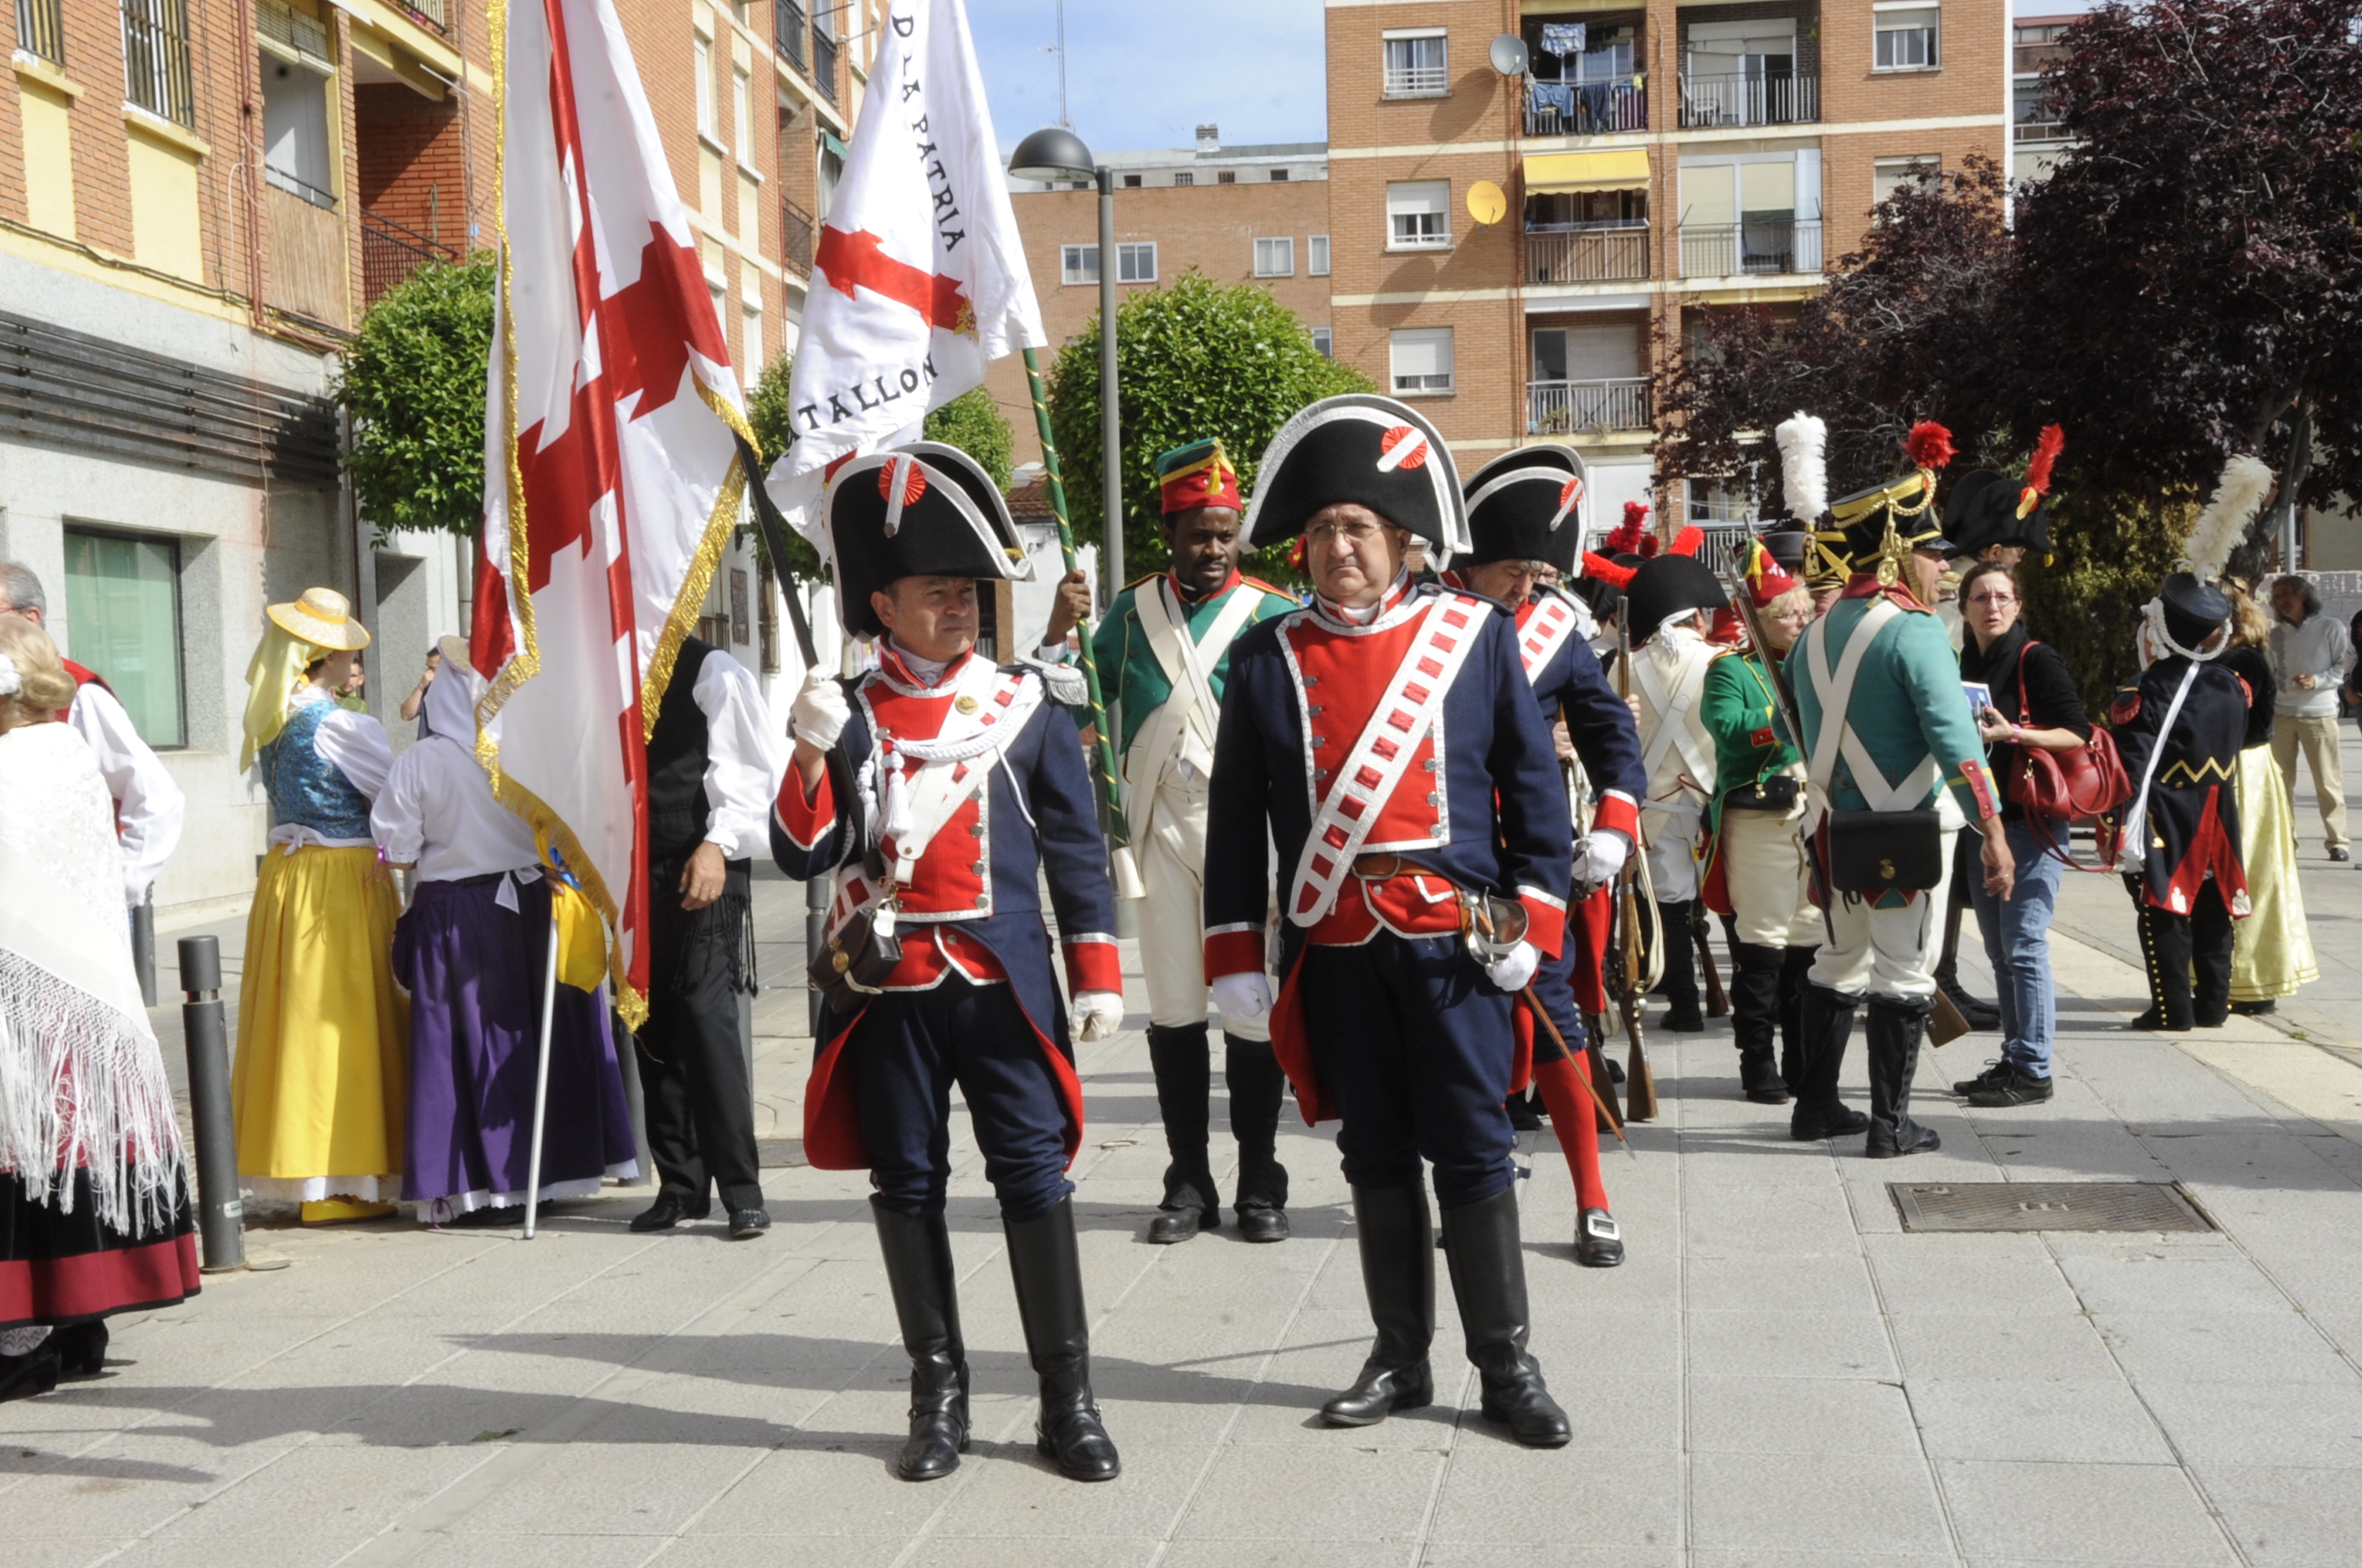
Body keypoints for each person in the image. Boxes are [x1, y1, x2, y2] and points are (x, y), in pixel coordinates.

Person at [1202, 395, 1577, 1448]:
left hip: (1455, 944)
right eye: (1323, 529)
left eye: (1358, 527)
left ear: (1403, 539)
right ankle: (1399, 1356)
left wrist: (1535, 923)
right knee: (1372, 1152)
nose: (1339, 548)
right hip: (1335, 945)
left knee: (1472, 1149)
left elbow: (1533, 790)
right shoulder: (1267, 657)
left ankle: (1506, 1365)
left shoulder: (1473, 636)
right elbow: (1235, 819)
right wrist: (1234, 952)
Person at [774, 442, 1125, 1484]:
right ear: (883, 605)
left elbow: (1076, 847)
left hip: (1003, 982)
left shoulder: (1027, 704)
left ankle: (1068, 1403)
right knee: (907, 1183)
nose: (961, 606)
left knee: (1034, 1180)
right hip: (891, 990)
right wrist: (807, 750)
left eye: (968, 590)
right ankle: (938, 1400)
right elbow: (802, 854)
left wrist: (1098, 972)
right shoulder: (849, 713)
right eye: (937, 592)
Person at [1037, 438, 1299, 1246]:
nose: (1214, 550)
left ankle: (1260, 1175)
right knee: (1177, 1011)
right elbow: (1069, 710)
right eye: (1198, 536)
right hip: (1158, 833)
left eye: (1225, 535)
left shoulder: (1273, 614)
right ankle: (1188, 1178)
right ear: (1170, 535)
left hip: (1247, 838)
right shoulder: (1128, 612)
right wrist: (1058, 629)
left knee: (1251, 1011)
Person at [1790, 423, 2012, 1158]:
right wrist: (1993, 827)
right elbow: (1955, 742)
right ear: (1893, 551)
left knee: (1834, 964)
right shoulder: (1915, 632)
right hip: (1902, 832)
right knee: (1904, 973)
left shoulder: (1812, 634)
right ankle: (1890, 1126)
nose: (1944, 568)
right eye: (1932, 552)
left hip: (1832, 831)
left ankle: (1816, 1107)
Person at [1446, 446, 1645, 1267]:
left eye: (1537, 572)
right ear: (1471, 560)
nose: (1527, 588)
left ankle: (1592, 1197)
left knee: (1560, 1024)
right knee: (1457, 1033)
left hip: (1531, 859)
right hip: (1448, 860)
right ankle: (1474, 1181)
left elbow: (1610, 733)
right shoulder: (1422, 621)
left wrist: (1615, 821)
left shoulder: (1555, 628)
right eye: (1514, 571)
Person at [372, 638, 641, 1224]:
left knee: (464, 1045)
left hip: (457, 914)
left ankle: (475, 1184)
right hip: (534, 904)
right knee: (533, 1038)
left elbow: (398, 849)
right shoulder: (523, 749)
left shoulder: (422, 761)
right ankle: (549, 1172)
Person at [0, 619, 200, 1403]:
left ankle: (22, 1344)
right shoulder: (66, 754)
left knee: (29, 1162)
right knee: (73, 1157)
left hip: (23, 997)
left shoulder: (17, 763)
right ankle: (81, 1327)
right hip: (82, 991)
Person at [231, 588, 408, 1224]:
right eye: (347, 652)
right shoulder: (340, 724)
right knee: (343, 1018)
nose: (353, 661)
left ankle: (303, 1169)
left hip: (289, 875)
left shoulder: (275, 713)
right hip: (341, 877)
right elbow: (397, 795)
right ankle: (344, 1177)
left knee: (295, 1017)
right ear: (327, 656)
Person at [627, 607, 786, 1240]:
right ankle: (680, 1184)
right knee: (650, 1021)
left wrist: (718, 845)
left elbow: (749, 770)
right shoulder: (609, 676)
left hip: (704, 859)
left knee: (704, 1015)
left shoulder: (710, 669)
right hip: (635, 867)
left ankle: (741, 1189)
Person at [1951, 560, 2092, 1106]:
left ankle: (2034, 1070)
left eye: (2002, 597)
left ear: (2018, 605)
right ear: (1964, 607)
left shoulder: (2036, 658)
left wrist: (2016, 734)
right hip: (1982, 821)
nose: (1992, 606)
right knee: (1999, 950)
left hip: (2031, 821)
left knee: (2025, 945)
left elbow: (2077, 732)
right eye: (1981, 597)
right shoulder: (1966, 662)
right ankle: (2014, 1058)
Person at [1699, 535, 1819, 1104]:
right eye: (1788, 614)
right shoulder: (1731, 669)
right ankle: (1757, 1061)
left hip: (1812, 813)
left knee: (1807, 941)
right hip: (1759, 816)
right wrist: (1782, 710)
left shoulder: (1816, 668)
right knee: (1763, 942)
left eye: (1803, 612)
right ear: (1761, 620)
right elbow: (1727, 728)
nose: (1800, 621)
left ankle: (1802, 1057)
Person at [0, 560, 187, 910]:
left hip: (66, 908)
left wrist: (117, 888)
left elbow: (154, 797)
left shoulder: (82, 693)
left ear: (30, 619)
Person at [2113, 576, 2252, 1029]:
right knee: (2213, 906)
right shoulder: (2231, 684)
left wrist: (2117, 820)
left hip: (2166, 813)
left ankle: (2172, 1009)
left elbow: (2132, 766)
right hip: (2219, 811)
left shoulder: (2147, 687)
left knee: (2162, 908)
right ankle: (2212, 1005)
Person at [1621, 535, 1732, 1035]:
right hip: (1716, 801)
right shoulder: (1723, 658)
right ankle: (1759, 1001)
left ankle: (1685, 1006)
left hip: (1657, 806)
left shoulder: (1623, 665)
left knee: (1670, 903)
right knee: (1732, 899)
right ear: (1696, 618)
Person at [2222, 584, 2314, 1015]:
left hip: (2245, 770)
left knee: (2249, 871)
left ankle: (2251, 980)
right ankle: (2225, 976)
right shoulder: (2230, 657)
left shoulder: (2241, 660)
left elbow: (2240, 722)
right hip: (2237, 768)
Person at [2268, 574, 2351, 861]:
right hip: (2282, 715)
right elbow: (2271, 674)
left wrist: (2317, 681)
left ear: (2304, 595)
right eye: (2278, 596)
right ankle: (2285, 841)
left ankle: (2338, 842)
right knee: (2281, 783)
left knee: (2327, 781)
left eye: (2288, 594)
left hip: (2320, 715)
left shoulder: (2330, 627)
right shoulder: (2275, 635)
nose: (2282, 601)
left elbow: (2342, 667)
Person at [400, 646, 441, 736]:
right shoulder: (428, 688)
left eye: (433, 668)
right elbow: (406, 715)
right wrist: (421, 687)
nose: (427, 672)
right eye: (428, 667)